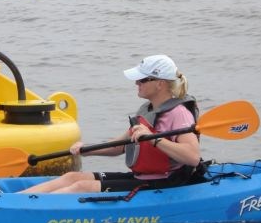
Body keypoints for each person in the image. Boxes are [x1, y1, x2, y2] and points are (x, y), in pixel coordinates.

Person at [11, 54, 201, 194]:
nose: (136, 83)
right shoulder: (148, 110)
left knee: (81, 187)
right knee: (72, 177)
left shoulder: (179, 114)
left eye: (142, 79)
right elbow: (120, 146)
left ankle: (25, 209)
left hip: (165, 183)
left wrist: (154, 140)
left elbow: (193, 157)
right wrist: (87, 149)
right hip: (142, 178)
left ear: (160, 83)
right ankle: (14, 199)